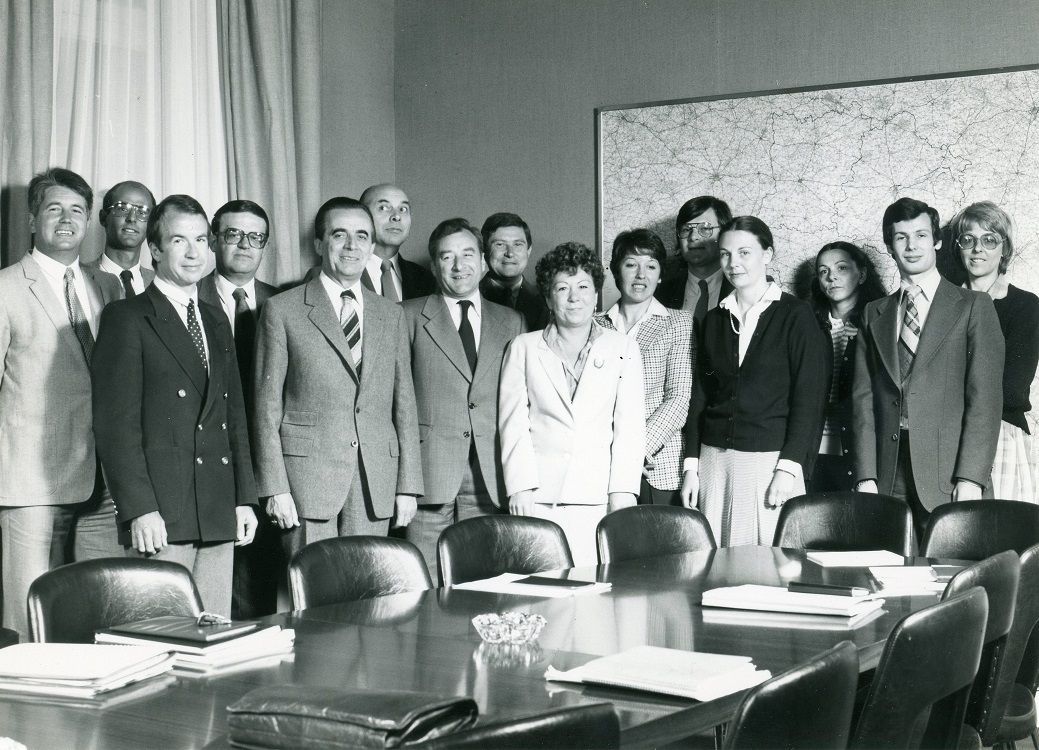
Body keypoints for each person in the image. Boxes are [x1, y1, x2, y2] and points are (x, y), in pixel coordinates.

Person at [92, 194, 258, 617]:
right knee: (161, 635)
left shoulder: (216, 318)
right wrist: (139, 510)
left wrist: (244, 498)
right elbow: (116, 428)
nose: (193, 252)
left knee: (214, 633)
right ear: (155, 249)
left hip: (217, 507)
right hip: (161, 513)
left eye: (201, 240)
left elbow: (233, 417)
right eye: (179, 240)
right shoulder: (127, 317)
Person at [253, 197, 423, 562]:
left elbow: (405, 404)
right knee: (311, 588)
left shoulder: (391, 314)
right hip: (306, 483)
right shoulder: (282, 309)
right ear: (319, 243)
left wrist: (408, 486)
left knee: (368, 585)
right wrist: (275, 488)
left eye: (362, 236)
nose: (351, 246)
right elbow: (266, 408)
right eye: (339, 234)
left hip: (375, 480)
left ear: (372, 246)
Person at [0, 168, 122, 637]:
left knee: (98, 611)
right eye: (54, 209)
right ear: (32, 220)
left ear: (89, 221)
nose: (66, 220)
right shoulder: (7, 287)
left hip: (102, 480)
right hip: (31, 480)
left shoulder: (107, 287)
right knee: (28, 616)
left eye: (77, 210)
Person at [853, 197, 1004, 537]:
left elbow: (985, 401)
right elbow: (863, 401)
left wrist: (971, 478)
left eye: (921, 235)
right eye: (901, 237)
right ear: (889, 246)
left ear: (936, 241)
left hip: (949, 475)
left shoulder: (973, 306)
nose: (912, 245)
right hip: (887, 475)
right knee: (886, 564)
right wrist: (866, 476)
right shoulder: (874, 313)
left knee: (949, 566)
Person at [681, 216, 828, 547]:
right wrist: (691, 466)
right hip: (714, 463)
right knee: (716, 565)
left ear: (767, 254)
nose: (733, 263)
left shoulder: (796, 316)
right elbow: (701, 396)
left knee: (770, 566)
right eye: (725, 254)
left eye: (744, 253)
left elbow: (809, 400)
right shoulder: (714, 319)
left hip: (770, 464)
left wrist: (788, 468)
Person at [499, 242, 644, 565]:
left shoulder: (623, 348)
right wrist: (520, 487)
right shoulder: (523, 347)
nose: (574, 297)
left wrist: (623, 491)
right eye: (562, 288)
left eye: (583, 287)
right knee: (538, 586)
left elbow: (630, 428)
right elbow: (513, 425)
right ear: (549, 298)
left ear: (596, 294)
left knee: (596, 587)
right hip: (538, 498)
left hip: (598, 498)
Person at [403, 218, 525, 570]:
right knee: (424, 582)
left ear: (484, 262)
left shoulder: (512, 321)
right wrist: (404, 483)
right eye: (447, 257)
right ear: (434, 265)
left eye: (468, 254)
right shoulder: (406, 316)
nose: (459, 265)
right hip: (428, 475)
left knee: (482, 581)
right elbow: (397, 401)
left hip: (489, 475)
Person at [198, 199, 279, 618]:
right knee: (212, 586)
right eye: (233, 234)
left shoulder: (283, 302)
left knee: (261, 579)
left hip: (268, 457)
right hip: (209, 453)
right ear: (214, 240)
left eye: (255, 237)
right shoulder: (189, 296)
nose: (245, 244)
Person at [596, 228, 694, 505]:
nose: (641, 275)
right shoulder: (594, 326)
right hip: (601, 464)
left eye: (651, 266)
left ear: (660, 274)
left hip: (657, 465)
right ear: (616, 272)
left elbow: (679, 398)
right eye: (631, 265)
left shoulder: (679, 323)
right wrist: (610, 453)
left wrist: (633, 451)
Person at [951, 201, 1039, 501]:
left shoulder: (1025, 306)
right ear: (958, 247)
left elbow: (1012, 389)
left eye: (989, 240)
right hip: (946, 434)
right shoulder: (942, 304)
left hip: (1001, 433)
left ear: (1005, 249)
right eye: (968, 239)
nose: (978, 248)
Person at [808, 241, 886, 491]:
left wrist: (864, 340)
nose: (831, 277)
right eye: (823, 271)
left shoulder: (879, 325)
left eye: (841, 268)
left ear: (861, 275)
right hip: (813, 452)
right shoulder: (808, 325)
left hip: (857, 452)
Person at [655, 196, 734, 328]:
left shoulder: (742, 288)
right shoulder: (660, 292)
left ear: (724, 234)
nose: (693, 237)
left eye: (705, 228)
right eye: (686, 230)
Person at [359, 183, 436, 301]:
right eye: (383, 208)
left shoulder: (426, 279)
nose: (396, 216)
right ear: (361, 215)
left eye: (403, 209)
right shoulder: (340, 273)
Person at [479, 212, 549, 330]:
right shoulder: (469, 297)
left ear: (528, 251)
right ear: (484, 251)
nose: (510, 253)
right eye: (500, 244)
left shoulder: (547, 301)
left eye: (517, 244)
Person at [88, 180, 156, 297]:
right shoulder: (79, 277)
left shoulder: (161, 284)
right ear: (103, 217)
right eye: (123, 209)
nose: (132, 218)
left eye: (142, 212)